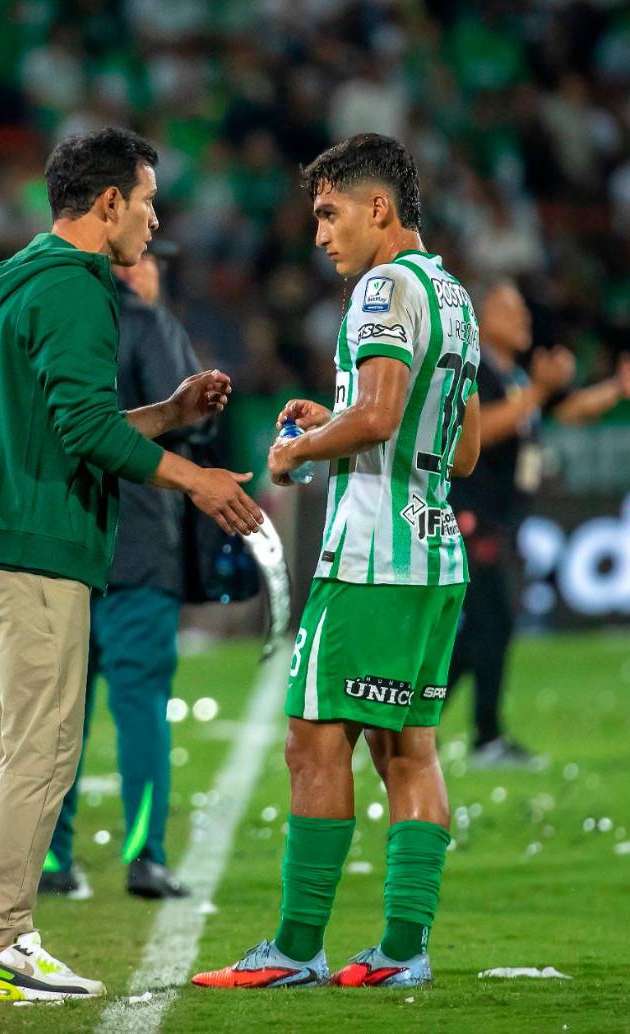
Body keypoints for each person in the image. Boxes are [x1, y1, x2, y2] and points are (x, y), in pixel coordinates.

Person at [0, 127, 263, 1004]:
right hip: (34, 551)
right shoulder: (79, 291)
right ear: (108, 202)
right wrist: (196, 477)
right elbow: (84, 432)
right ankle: (0, 945)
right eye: (148, 200)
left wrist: (166, 411)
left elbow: (69, 420)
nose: (156, 219)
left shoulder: (22, 284)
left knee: (11, 754)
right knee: (41, 752)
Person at [193, 133, 480, 991]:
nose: (320, 234)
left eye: (329, 213)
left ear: (378, 209)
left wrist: (296, 451)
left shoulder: (384, 287)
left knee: (313, 742)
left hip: (373, 560)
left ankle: (294, 947)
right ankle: (401, 951)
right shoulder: (453, 295)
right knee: (410, 752)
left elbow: (383, 416)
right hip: (436, 557)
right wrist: (342, 414)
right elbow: (459, 449)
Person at [39, 243, 198, 902]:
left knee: (55, 719)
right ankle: (144, 859)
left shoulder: (61, 321)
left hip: (67, 548)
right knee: (140, 711)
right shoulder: (148, 324)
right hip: (135, 552)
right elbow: (188, 424)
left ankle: (49, 861)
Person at [448, 279, 630, 766]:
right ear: (485, 319)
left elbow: (570, 409)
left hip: (500, 518)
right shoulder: (475, 370)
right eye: (513, 312)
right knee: (493, 623)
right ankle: (485, 738)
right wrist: (539, 392)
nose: (525, 321)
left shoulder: (515, 377)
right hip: (472, 513)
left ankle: (412, 720)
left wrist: (616, 387)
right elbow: (478, 431)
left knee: (478, 631)